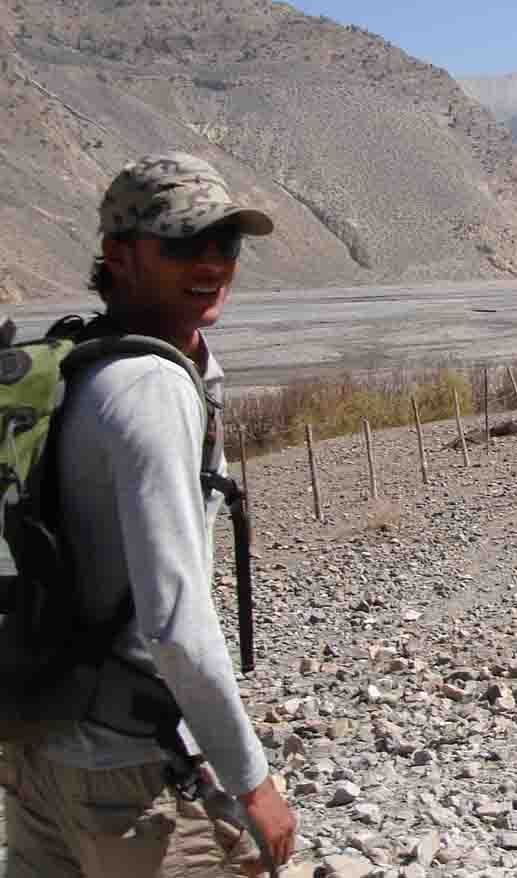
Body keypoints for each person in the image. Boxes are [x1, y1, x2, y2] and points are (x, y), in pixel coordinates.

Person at [1, 153, 297, 877]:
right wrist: (251, 779)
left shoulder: (80, 367)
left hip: (38, 754)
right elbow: (175, 618)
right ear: (120, 257)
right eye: (182, 244)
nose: (211, 263)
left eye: (224, 244)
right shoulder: (149, 388)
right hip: (126, 775)